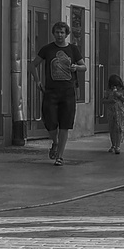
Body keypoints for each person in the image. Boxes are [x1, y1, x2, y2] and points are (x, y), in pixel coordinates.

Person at [34, 21, 86, 167]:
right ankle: (55, 142)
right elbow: (33, 65)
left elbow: (84, 67)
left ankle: (60, 156)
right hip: (51, 91)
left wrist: (76, 67)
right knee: (50, 122)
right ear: (53, 33)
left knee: (65, 124)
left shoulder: (73, 49)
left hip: (68, 92)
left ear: (67, 34)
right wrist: (38, 81)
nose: (59, 35)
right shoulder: (47, 49)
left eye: (62, 32)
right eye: (57, 32)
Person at [104, 74, 124, 154]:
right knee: (112, 128)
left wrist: (120, 96)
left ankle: (118, 146)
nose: (115, 88)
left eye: (117, 86)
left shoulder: (123, 91)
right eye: (113, 86)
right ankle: (113, 145)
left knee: (119, 129)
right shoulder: (108, 91)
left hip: (120, 112)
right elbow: (103, 100)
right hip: (111, 112)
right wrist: (109, 100)